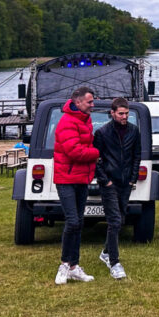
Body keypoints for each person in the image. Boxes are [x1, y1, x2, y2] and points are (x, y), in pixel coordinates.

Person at [53, 86, 100, 284]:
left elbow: (85, 145)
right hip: (66, 179)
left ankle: (74, 267)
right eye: (89, 102)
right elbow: (75, 151)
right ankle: (64, 265)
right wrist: (98, 153)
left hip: (81, 178)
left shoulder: (84, 119)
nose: (92, 105)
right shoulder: (67, 122)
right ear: (78, 102)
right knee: (72, 221)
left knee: (78, 222)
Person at [93, 97, 141, 280]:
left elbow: (137, 155)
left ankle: (106, 251)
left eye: (127, 113)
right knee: (114, 220)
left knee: (120, 219)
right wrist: (105, 181)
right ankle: (114, 262)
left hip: (125, 182)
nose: (124, 116)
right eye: (121, 113)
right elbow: (96, 159)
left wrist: (132, 179)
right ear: (112, 113)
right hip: (109, 183)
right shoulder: (102, 133)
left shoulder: (134, 131)